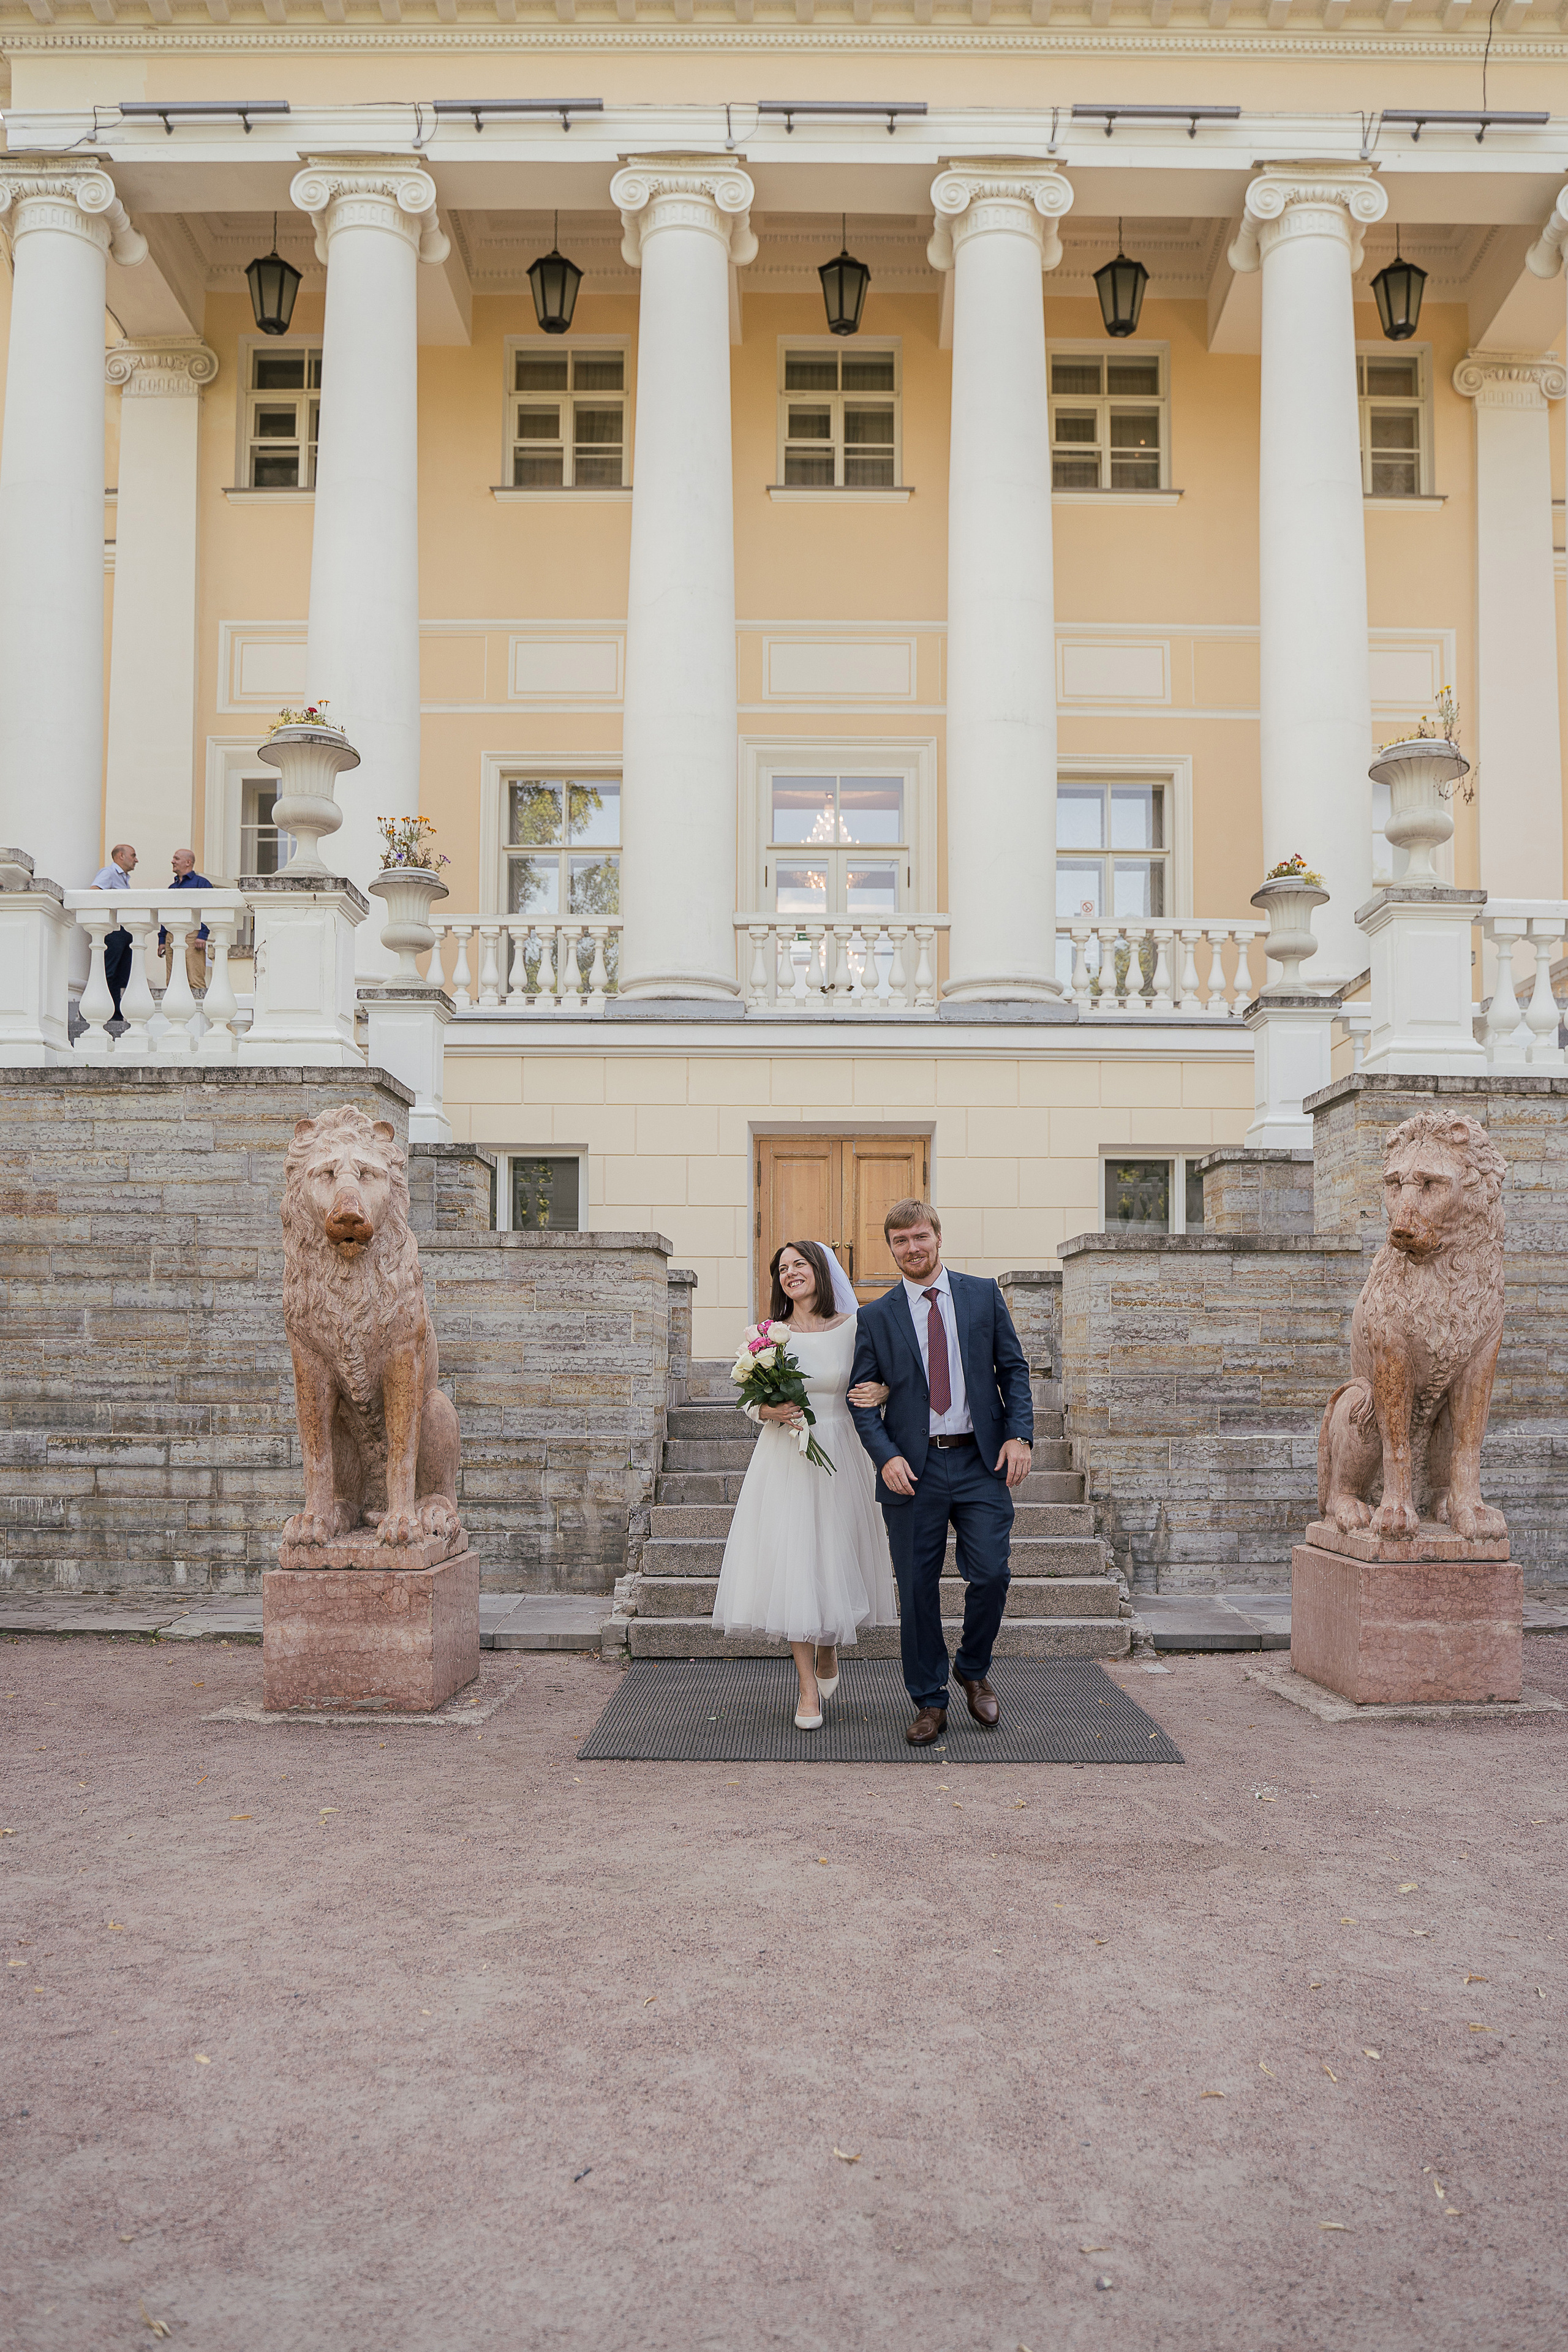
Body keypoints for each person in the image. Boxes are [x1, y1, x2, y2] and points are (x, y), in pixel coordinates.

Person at [848, 1199, 1033, 1747]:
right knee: (917, 1589)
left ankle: (972, 1668)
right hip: (913, 1471)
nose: (913, 1249)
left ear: (938, 1237)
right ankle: (929, 1699)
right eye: (901, 1241)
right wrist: (886, 1456)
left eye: (920, 1237)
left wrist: (1019, 1435)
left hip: (980, 1462)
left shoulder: (982, 1294)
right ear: (892, 1249)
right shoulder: (876, 1316)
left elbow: (1014, 1369)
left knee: (993, 1573)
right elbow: (861, 1400)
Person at [710, 1238, 897, 1732]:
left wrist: (884, 1389)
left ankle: (829, 1648)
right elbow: (749, 1399)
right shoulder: (766, 1335)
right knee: (797, 1560)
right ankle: (807, 1690)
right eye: (782, 1268)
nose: (790, 1272)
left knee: (837, 1555)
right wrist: (767, 1409)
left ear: (819, 1269)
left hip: (843, 1450)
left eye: (799, 1264)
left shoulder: (855, 1326)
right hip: (787, 1457)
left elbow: (889, 1375)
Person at [89, 842, 137, 1025]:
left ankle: (115, 1013)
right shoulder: (108, 873)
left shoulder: (124, 878)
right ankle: (101, 1010)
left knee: (120, 974)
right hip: (114, 931)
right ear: (121, 856)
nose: (136, 860)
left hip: (124, 931)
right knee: (109, 971)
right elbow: (94, 892)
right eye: (133, 855)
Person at [159, 848, 212, 994]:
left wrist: (202, 935)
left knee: (195, 978)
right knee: (172, 979)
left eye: (176, 858)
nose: (173, 861)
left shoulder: (201, 883)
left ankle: (199, 1014)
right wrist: (162, 939)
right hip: (171, 935)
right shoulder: (172, 887)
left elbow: (208, 910)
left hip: (192, 935)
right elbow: (166, 914)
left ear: (188, 862)